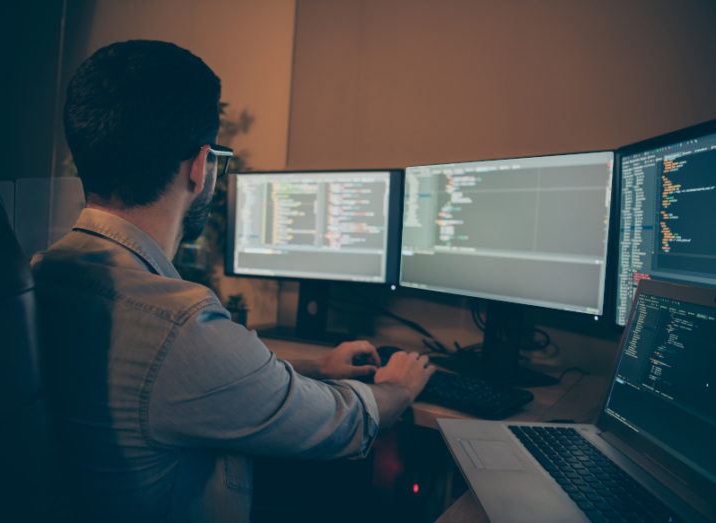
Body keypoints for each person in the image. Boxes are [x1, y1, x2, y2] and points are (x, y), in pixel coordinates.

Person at [31, 40, 434, 522]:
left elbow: (193, 382)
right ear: (201, 166)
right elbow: (340, 423)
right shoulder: (177, 321)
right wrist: (399, 388)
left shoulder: (44, 272)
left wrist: (315, 367)